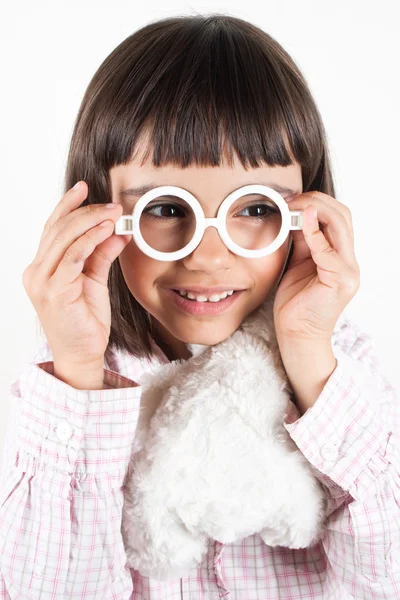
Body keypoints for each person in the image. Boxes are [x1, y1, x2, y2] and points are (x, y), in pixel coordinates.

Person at [0, 13, 398, 600]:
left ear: (307, 214)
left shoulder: (341, 368)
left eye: (256, 209)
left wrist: (311, 356)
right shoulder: (60, 391)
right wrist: (79, 376)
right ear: (100, 216)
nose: (210, 256)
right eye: (164, 208)